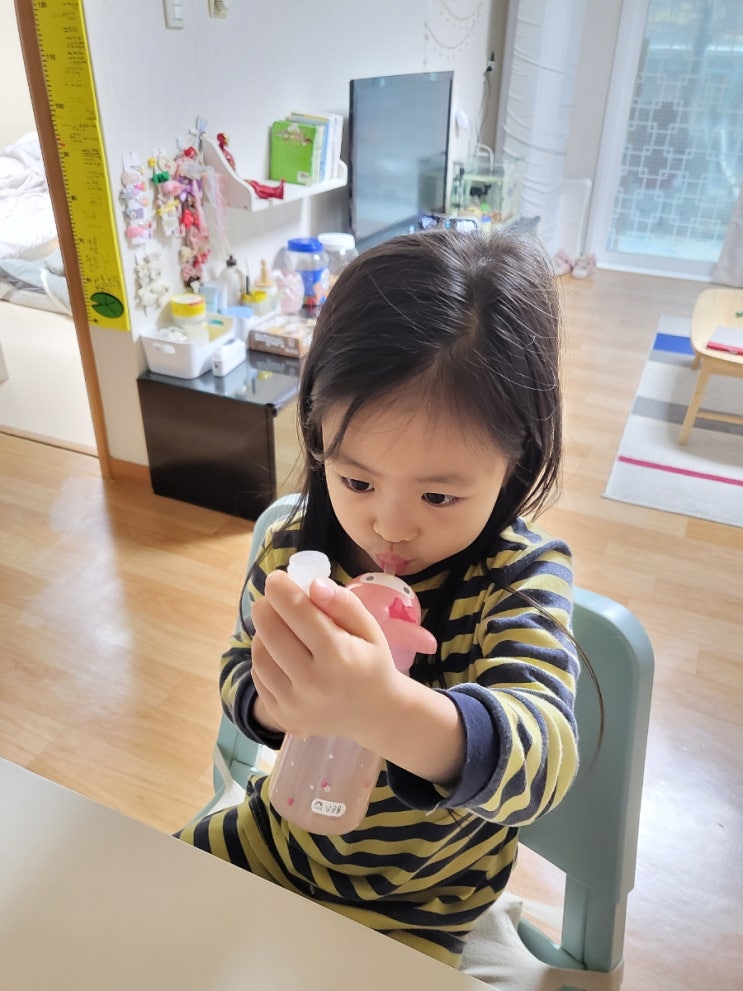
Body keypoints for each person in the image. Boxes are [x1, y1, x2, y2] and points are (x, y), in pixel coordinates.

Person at [177, 226, 580, 969]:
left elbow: (543, 762)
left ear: (514, 457)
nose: (390, 526)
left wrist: (382, 708)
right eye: (356, 480)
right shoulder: (297, 553)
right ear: (318, 433)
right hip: (270, 843)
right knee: (126, 910)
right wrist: (280, 700)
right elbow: (238, 673)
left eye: (438, 495)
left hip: (417, 906)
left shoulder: (516, 579)